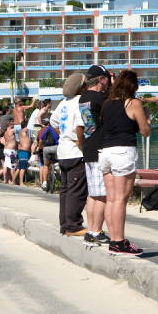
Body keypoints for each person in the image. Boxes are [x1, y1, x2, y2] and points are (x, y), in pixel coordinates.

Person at [99, 70, 151, 254]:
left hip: (105, 152)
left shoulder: (108, 104)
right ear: (132, 86)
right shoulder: (133, 102)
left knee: (112, 199)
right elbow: (145, 131)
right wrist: (145, 117)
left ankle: (114, 240)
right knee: (121, 199)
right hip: (123, 151)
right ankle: (119, 242)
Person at [50, 73, 88, 236]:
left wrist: (64, 134)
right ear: (81, 87)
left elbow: (53, 122)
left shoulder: (63, 103)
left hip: (63, 151)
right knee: (76, 190)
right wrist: (81, 143)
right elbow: (80, 126)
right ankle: (73, 226)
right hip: (74, 152)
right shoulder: (82, 102)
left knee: (65, 190)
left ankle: (65, 225)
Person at [79, 65, 111, 246]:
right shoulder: (101, 98)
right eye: (107, 78)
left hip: (89, 146)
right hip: (100, 149)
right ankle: (95, 231)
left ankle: (91, 229)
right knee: (101, 195)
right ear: (101, 79)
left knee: (92, 195)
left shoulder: (84, 97)